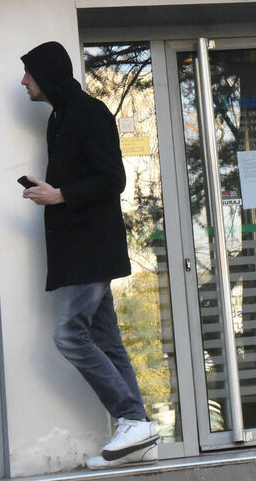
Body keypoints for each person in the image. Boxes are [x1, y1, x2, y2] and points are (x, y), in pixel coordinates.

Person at [20, 41, 159, 469]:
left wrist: (60, 194)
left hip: (92, 251)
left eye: (29, 74)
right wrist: (52, 193)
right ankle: (138, 434)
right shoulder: (59, 118)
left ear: (48, 75)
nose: (23, 81)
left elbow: (113, 178)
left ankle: (132, 418)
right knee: (107, 342)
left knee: (68, 334)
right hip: (80, 250)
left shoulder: (89, 113)